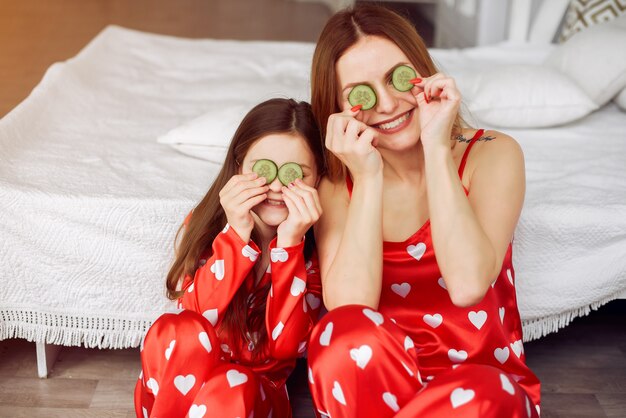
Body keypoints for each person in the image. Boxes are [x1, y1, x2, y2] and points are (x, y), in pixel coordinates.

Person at [306, 5, 541, 418]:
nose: (387, 103)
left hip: (478, 390)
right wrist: (369, 178)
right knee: (338, 335)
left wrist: (436, 145)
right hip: (377, 390)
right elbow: (349, 310)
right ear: (339, 109)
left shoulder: (494, 154)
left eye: (397, 77)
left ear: (424, 70)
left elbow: (468, 284)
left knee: (488, 393)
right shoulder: (336, 183)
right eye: (361, 93)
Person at [134, 98, 325, 418]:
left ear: (317, 179)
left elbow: (287, 346)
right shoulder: (207, 223)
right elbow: (195, 317)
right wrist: (236, 234)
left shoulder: (316, 247)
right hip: (182, 392)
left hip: (253, 394)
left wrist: (290, 243)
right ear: (238, 169)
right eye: (263, 171)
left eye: (295, 175)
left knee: (230, 387)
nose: (277, 186)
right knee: (173, 327)